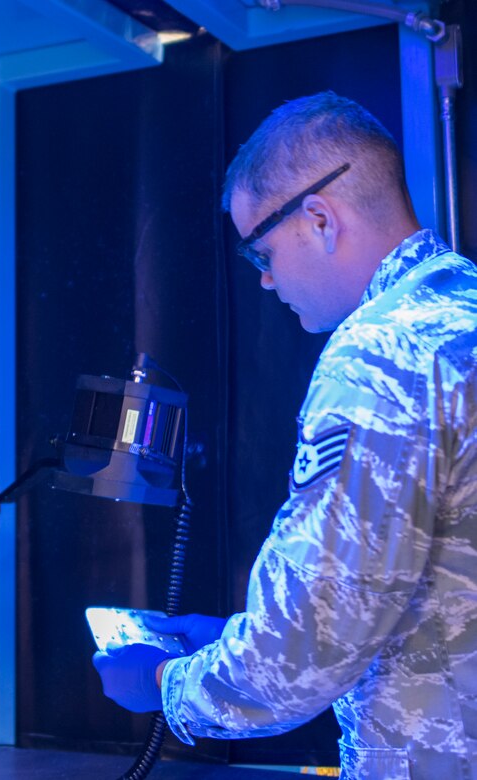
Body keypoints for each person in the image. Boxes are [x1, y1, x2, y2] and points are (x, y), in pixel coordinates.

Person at [93, 92, 477, 779]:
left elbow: (306, 646)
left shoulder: (381, 351)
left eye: (261, 250)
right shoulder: (461, 314)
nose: (266, 279)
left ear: (321, 219)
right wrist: (226, 641)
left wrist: (164, 684)